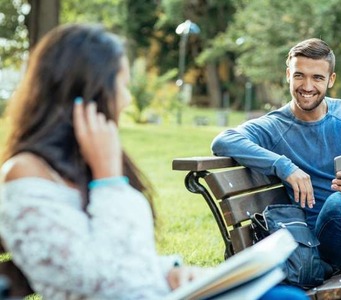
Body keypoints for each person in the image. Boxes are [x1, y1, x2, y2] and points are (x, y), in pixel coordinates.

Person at [0, 23, 308, 299]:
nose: (127, 99)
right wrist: (108, 178)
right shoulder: (25, 173)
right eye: (121, 85)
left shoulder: (90, 160)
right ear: (89, 93)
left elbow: (129, 257)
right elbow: (94, 276)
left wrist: (172, 271)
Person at [211, 38, 341, 274]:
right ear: (288, 74)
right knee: (338, 204)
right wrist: (284, 166)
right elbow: (223, 140)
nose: (307, 86)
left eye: (317, 78)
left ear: (331, 80)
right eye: (300, 75)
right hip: (333, 244)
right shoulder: (274, 126)